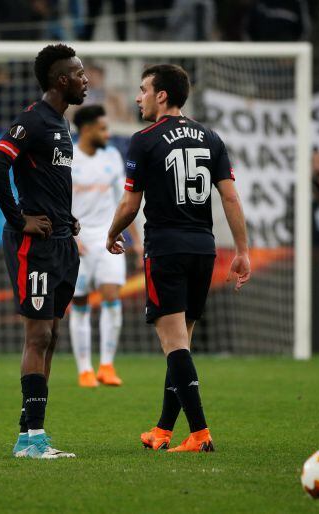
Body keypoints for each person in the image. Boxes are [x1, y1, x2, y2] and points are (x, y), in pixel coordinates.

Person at [106, 64, 250, 452]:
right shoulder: (211, 137)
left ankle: (200, 433)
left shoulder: (145, 139)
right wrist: (242, 251)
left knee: (174, 346)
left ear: (162, 96)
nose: (138, 97)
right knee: (181, 342)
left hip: (166, 249)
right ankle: (163, 431)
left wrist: (111, 231)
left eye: (143, 90)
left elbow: (130, 203)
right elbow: (231, 197)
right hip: (204, 249)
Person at [0, 44, 88, 459]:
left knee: (53, 333)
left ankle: (28, 435)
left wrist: (67, 216)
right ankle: (34, 439)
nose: (86, 80)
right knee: (38, 333)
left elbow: (47, 180)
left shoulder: (61, 125)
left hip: (61, 239)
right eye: (79, 73)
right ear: (61, 79)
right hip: (35, 243)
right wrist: (19, 218)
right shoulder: (34, 120)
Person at [68, 104, 142, 388]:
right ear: (86, 130)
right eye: (102, 128)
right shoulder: (69, 159)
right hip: (78, 240)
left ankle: (107, 365)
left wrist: (135, 240)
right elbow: (59, 202)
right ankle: (85, 369)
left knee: (112, 296)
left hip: (110, 237)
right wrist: (70, 238)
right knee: (80, 302)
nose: (108, 134)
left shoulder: (112, 156)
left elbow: (125, 202)